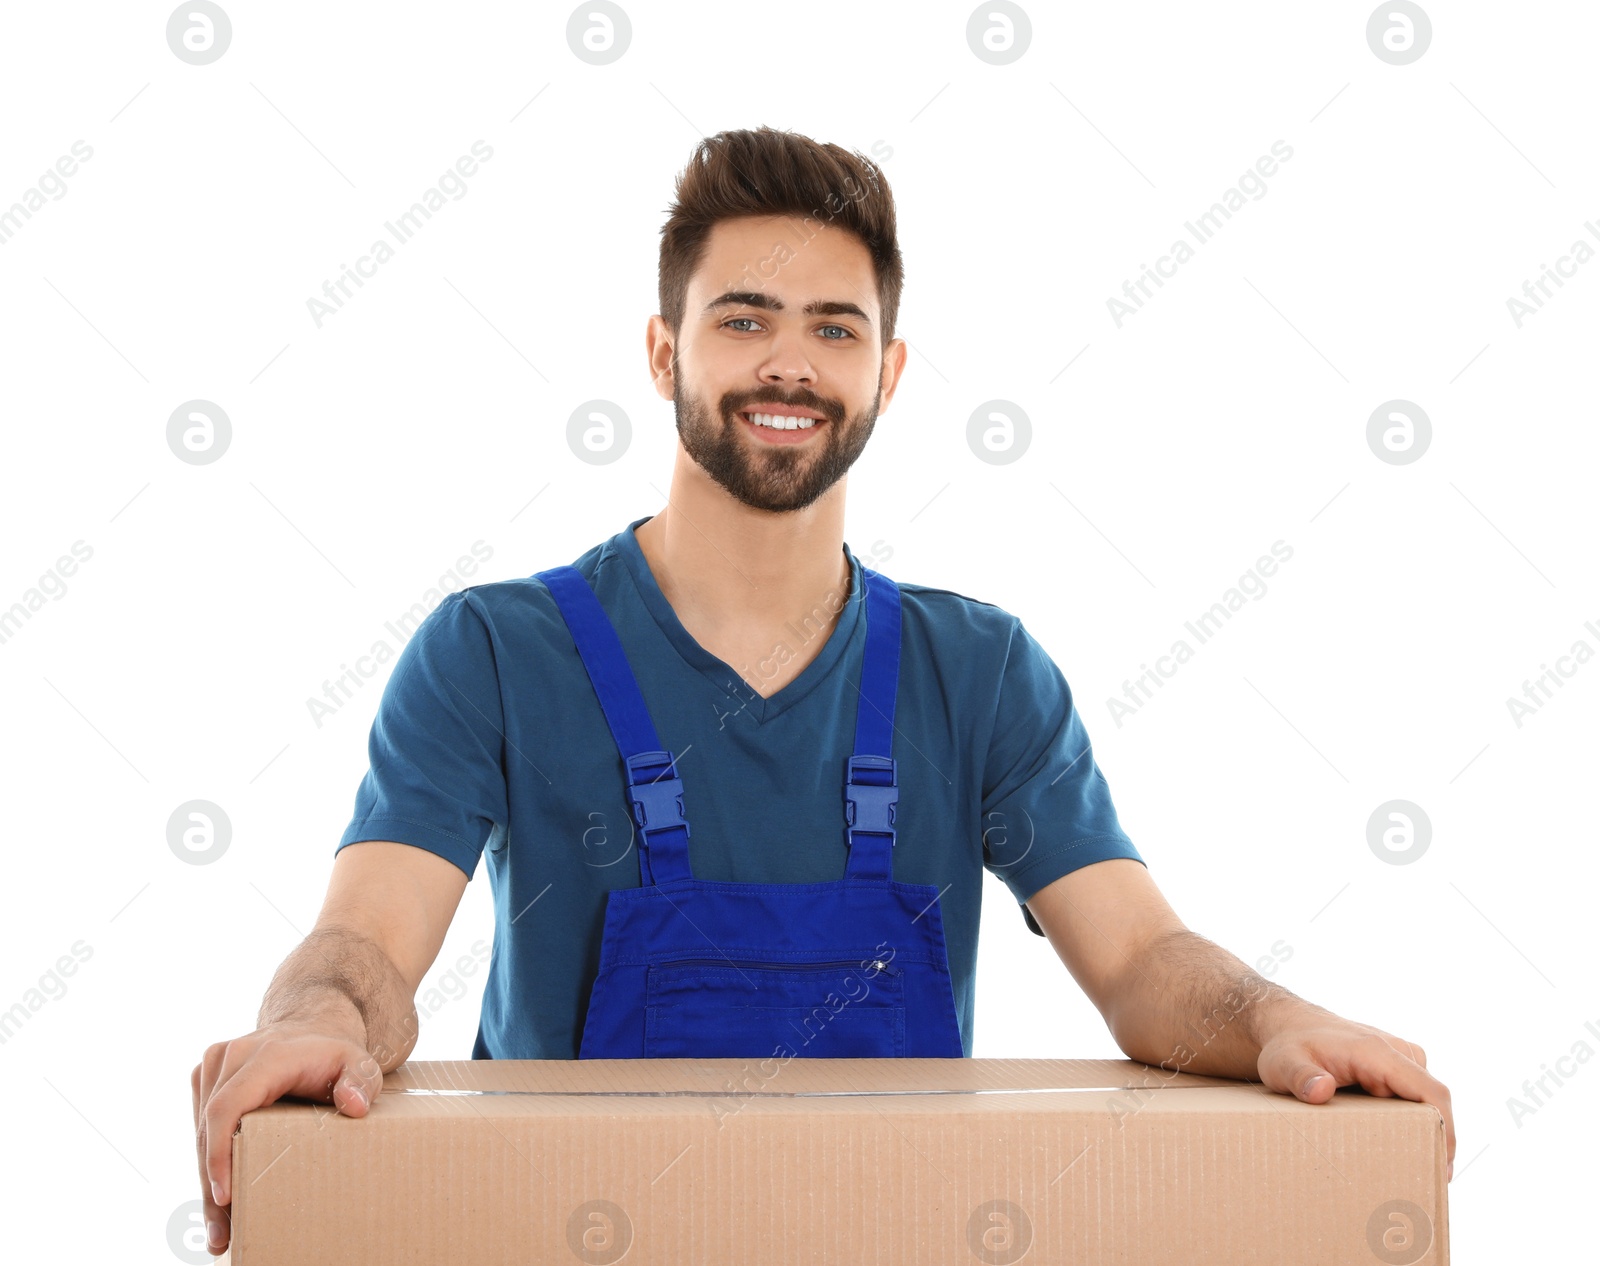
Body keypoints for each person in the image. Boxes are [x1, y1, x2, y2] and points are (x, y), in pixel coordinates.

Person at [192, 126, 1454, 1256]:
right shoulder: (494, 652)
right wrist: (315, 1021)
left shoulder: (981, 672)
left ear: (888, 372)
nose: (786, 365)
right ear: (660, 350)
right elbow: (367, 943)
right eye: (741, 318)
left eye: (832, 329)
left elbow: (1141, 964)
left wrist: (1281, 1017)